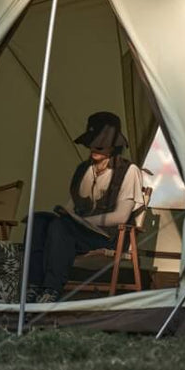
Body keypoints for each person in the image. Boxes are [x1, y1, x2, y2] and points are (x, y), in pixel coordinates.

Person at [26, 111, 144, 303]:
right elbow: (71, 206)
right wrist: (66, 215)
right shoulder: (83, 169)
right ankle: (32, 286)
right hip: (79, 233)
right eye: (92, 143)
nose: (94, 148)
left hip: (108, 236)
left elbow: (121, 216)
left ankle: (51, 289)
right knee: (38, 221)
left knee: (61, 227)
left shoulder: (128, 171)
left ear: (113, 146)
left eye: (101, 145)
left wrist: (83, 221)